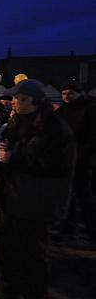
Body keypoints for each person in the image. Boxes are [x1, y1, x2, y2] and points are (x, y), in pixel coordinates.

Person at [0, 79, 76, 299]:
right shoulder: (17, 122)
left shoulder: (55, 128)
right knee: (8, 250)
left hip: (37, 199)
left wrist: (13, 160)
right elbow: (11, 153)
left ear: (32, 100)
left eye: (17, 97)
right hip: (14, 196)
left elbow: (56, 166)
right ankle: (10, 294)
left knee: (33, 254)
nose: (13, 101)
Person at [56, 80, 96, 240]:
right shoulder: (61, 111)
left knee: (84, 195)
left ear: (78, 94)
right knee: (67, 195)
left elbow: (93, 135)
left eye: (70, 93)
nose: (67, 97)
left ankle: (92, 230)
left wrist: (82, 153)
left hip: (83, 159)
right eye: (64, 94)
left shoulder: (90, 109)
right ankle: (67, 228)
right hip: (65, 158)